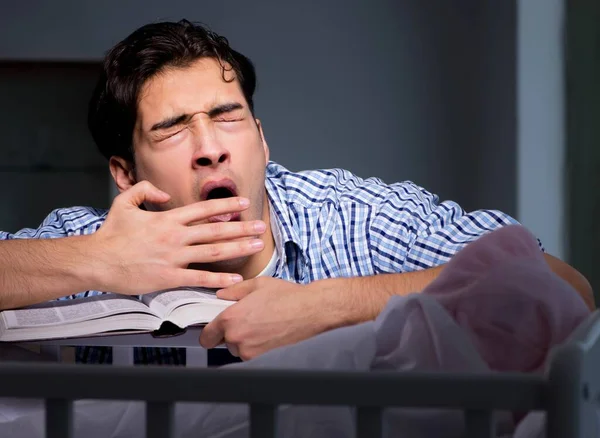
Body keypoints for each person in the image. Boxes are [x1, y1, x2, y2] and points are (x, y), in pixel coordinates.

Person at [0, 19, 593, 365]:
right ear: (126, 174)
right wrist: (100, 259)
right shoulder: (91, 241)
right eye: (173, 128)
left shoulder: (348, 216)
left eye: (228, 117)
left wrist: (328, 306)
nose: (210, 147)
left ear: (261, 139)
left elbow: (563, 287)